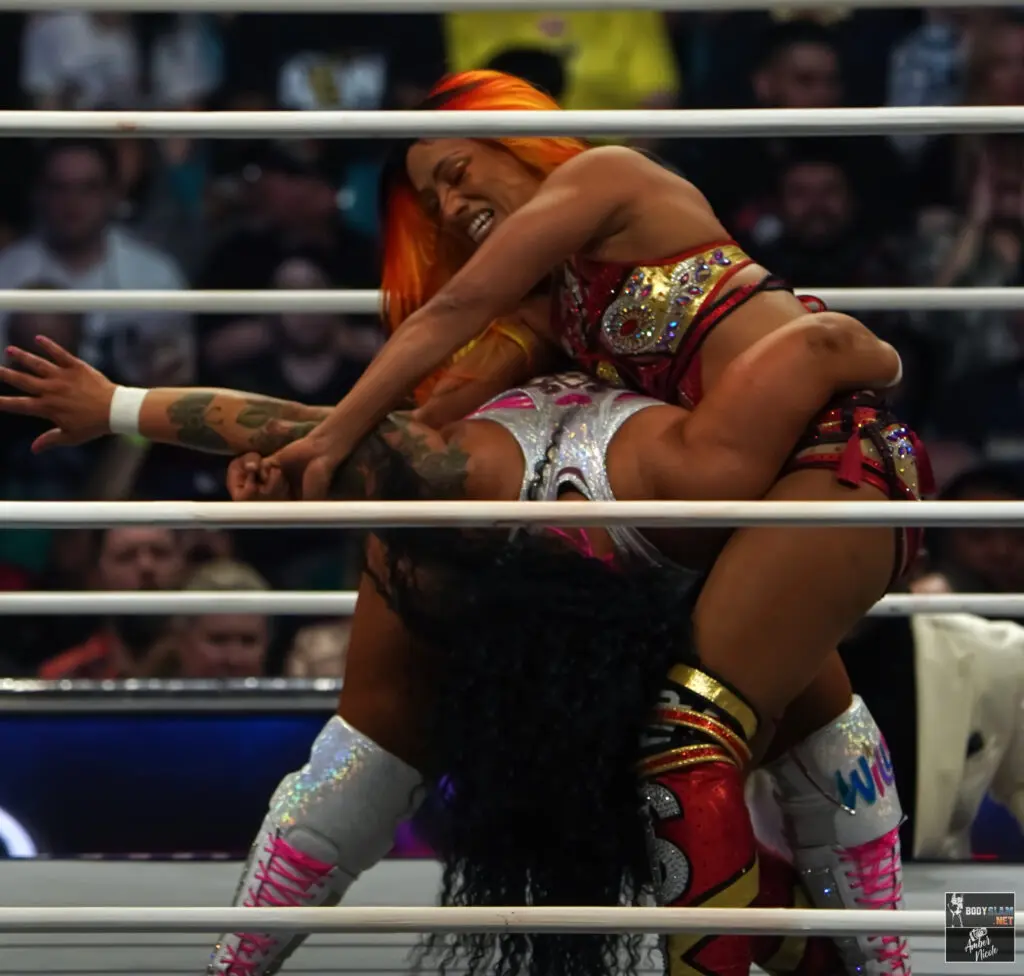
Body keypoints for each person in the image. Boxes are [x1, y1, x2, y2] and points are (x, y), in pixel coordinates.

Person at [0, 314, 913, 976]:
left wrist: (117, 403)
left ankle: (233, 965)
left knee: (368, 756)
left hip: (551, 441)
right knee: (792, 709)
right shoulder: (684, 485)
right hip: (602, 435)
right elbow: (825, 345)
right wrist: (117, 405)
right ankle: (890, 955)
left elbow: (281, 424)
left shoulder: (466, 480)